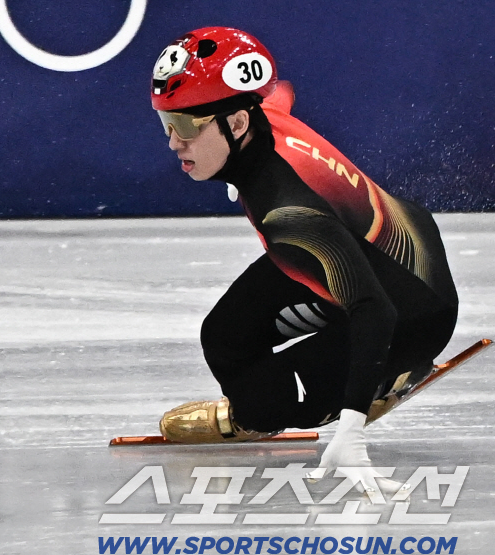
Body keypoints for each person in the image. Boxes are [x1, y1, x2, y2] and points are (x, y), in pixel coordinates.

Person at [151, 27, 458, 495]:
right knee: (222, 337)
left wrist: (351, 432)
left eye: (188, 127)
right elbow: (278, 93)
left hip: (413, 309)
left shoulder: (289, 215)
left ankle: (384, 377)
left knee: (262, 407)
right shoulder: (261, 115)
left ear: (236, 124)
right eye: (166, 123)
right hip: (371, 245)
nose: (174, 142)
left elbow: (375, 310)